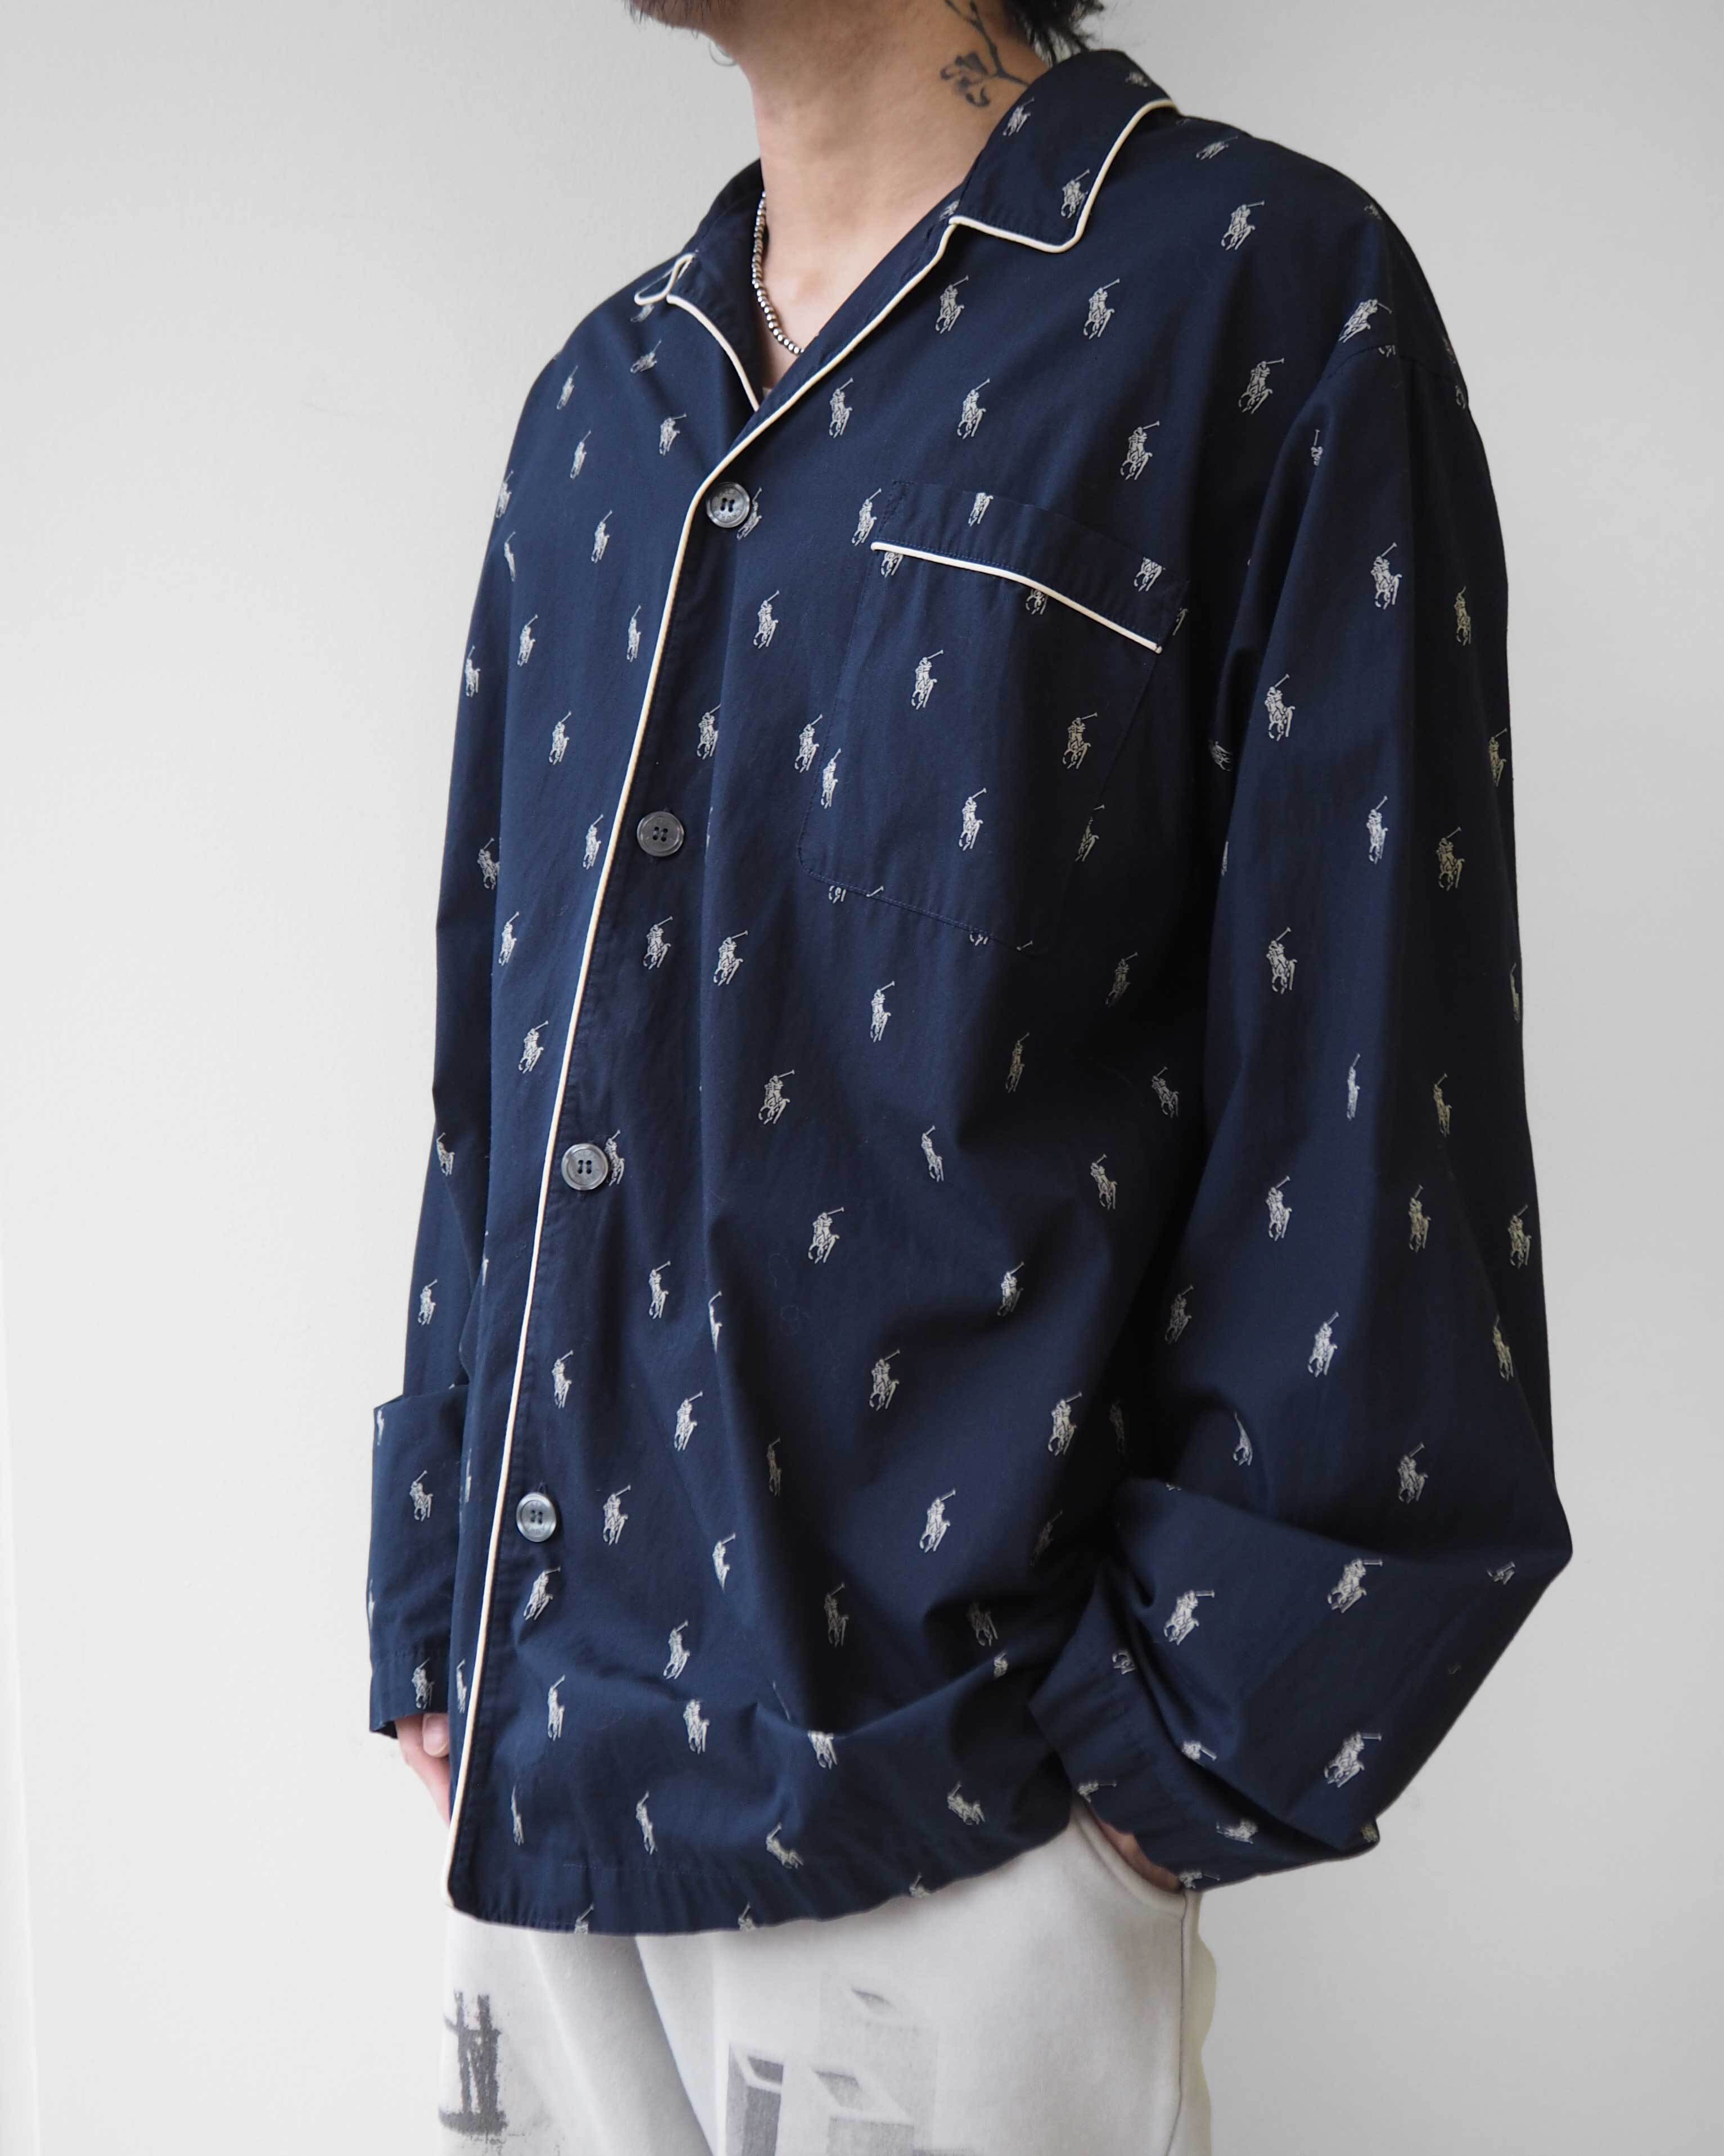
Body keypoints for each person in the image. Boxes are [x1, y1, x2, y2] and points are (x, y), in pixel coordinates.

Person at [365, 2, 1573, 2146]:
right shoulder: (599, 407)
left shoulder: (1251, 296)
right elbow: (499, 1046)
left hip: (957, 1826)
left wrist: (1165, 1765)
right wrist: (435, 1577)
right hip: (537, 1803)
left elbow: (1373, 1079)